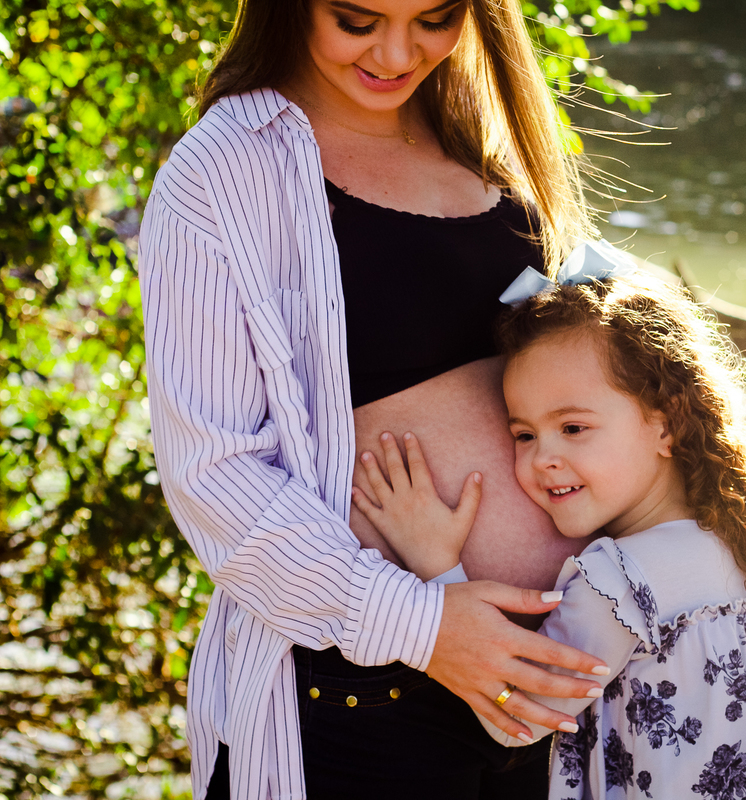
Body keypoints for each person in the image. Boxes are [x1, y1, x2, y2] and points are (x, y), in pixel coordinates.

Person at [138, 0, 616, 797]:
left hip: (549, 694)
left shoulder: (483, 127)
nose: (397, 52)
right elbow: (214, 477)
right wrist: (425, 626)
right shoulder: (222, 173)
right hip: (366, 701)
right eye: (357, 20)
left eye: (435, 17)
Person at [353, 258, 746, 799]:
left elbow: (519, 717)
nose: (544, 458)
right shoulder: (737, 542)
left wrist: (436, 567)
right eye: (524, 435)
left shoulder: (618, 583)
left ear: (667, 423)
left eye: (573, 427)